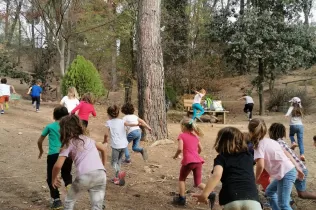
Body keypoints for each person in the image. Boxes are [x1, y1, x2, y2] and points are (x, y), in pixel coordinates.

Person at [193, 127, 261, 210]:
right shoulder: (249, 156)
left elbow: (217, 175)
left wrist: (205, 194)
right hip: (253, 200)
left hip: (231, 199)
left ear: (220, 142)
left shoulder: (221, 158)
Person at [52, 115, 107, 210]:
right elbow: (104, 149)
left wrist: (53, 178)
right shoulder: (89, 139)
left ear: (64, 130)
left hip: (84, 176)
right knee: (97, 206)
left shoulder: (68, 143)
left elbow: (58, 165)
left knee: (70, 200)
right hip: (101, 175)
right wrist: (103, 166)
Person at [248, 118, 304, 210]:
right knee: (269, 192)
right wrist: (298, 168)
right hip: (287, 172)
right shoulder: (271, 141)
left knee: (284, 204)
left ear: (250, 132)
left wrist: (256, 180)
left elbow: (260, 165)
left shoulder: (258, 146)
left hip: (286, 173)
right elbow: (287, 153)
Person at [267, 123, 316, 200]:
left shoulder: (276, 144)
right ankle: (288, 202)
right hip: (300, 168)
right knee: (302, 194)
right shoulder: (281, 142)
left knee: (275, 190)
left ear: (271, 132)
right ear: (283, 133)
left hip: (294, 170)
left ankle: (287, 203)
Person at [37, 106, 72, 209]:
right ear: (67, 116)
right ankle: (69, 186)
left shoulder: (50, 126)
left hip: (53, 155)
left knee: (51, 177)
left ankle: (56, 200)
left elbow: (39, 141)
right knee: (66, 174)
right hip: (67, 155)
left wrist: (41, 150)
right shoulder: (69, 127)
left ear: (54, 116)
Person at [103, 105, 138, 186]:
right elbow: (129, 124)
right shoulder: (122, 121)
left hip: (116, 146)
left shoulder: (109, 123)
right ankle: (117, 179)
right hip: (124, 145)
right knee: (118, 161)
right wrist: (137, 124)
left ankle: (119, 174)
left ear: (108, 114)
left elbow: (106, 134)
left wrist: (104, 141)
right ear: (118, 114)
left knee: (113, 163)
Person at [285, 97, 305, 161]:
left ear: (293, 103)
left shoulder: (291, 108)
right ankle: (302, 154)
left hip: (293, 125)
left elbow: (287, 114)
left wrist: (286, 115)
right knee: (300, 141)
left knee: (291, 135)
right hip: (300, 126)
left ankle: (293, 142)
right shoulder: (301, 108)